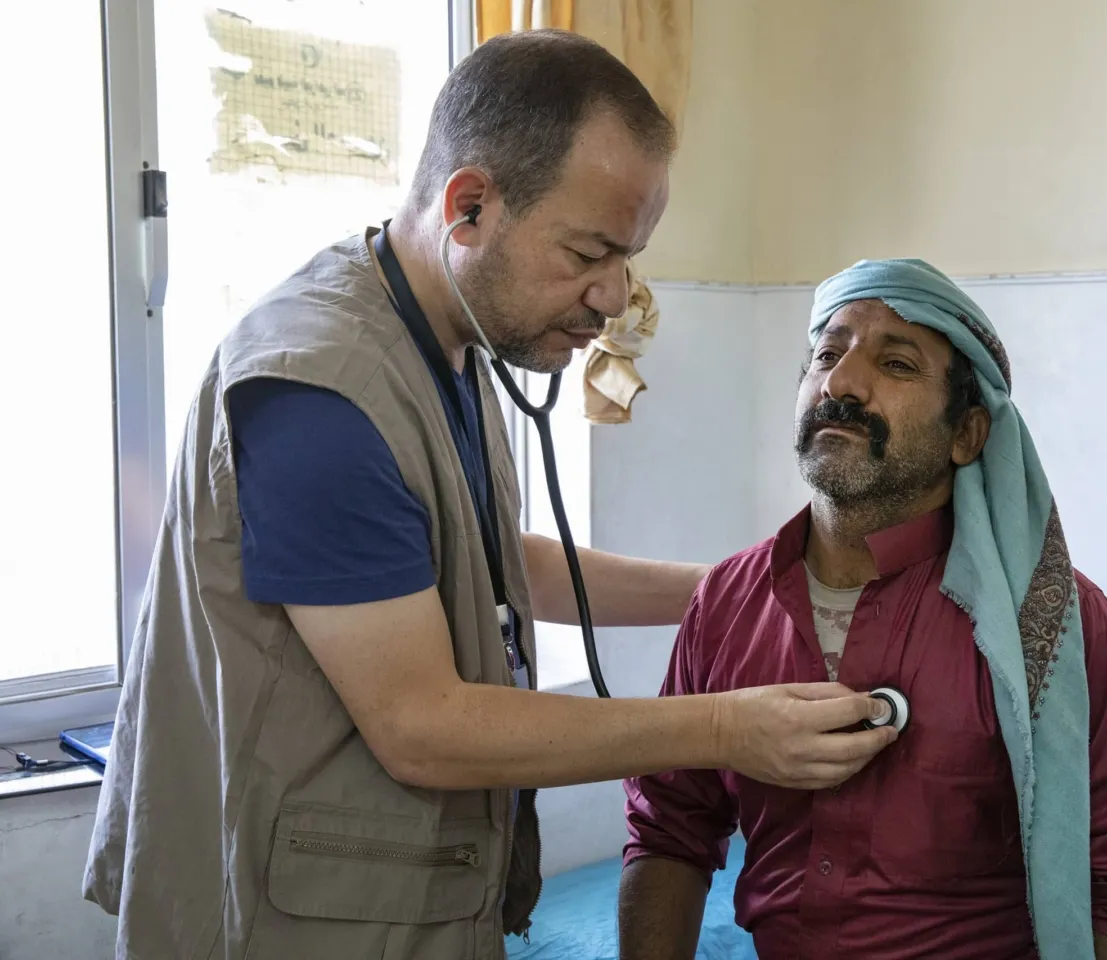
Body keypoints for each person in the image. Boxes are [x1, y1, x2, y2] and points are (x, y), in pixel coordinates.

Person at [82, 31, 895, 960]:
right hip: (289, 917)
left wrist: (740, 585)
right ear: (468, 206)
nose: (613, 297)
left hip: (409, 894)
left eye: (628, 257)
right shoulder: (320, 391)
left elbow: (495, 564)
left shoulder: (453, 337)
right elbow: (422, 727)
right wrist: (725, 727)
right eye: (590, 251)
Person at [619, 259, 1107, 960]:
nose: (841, 383)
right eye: (826, 355)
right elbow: (669, 830)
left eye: (895, 364)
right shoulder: (727, 605)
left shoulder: (1066, 636)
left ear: (968, 435)